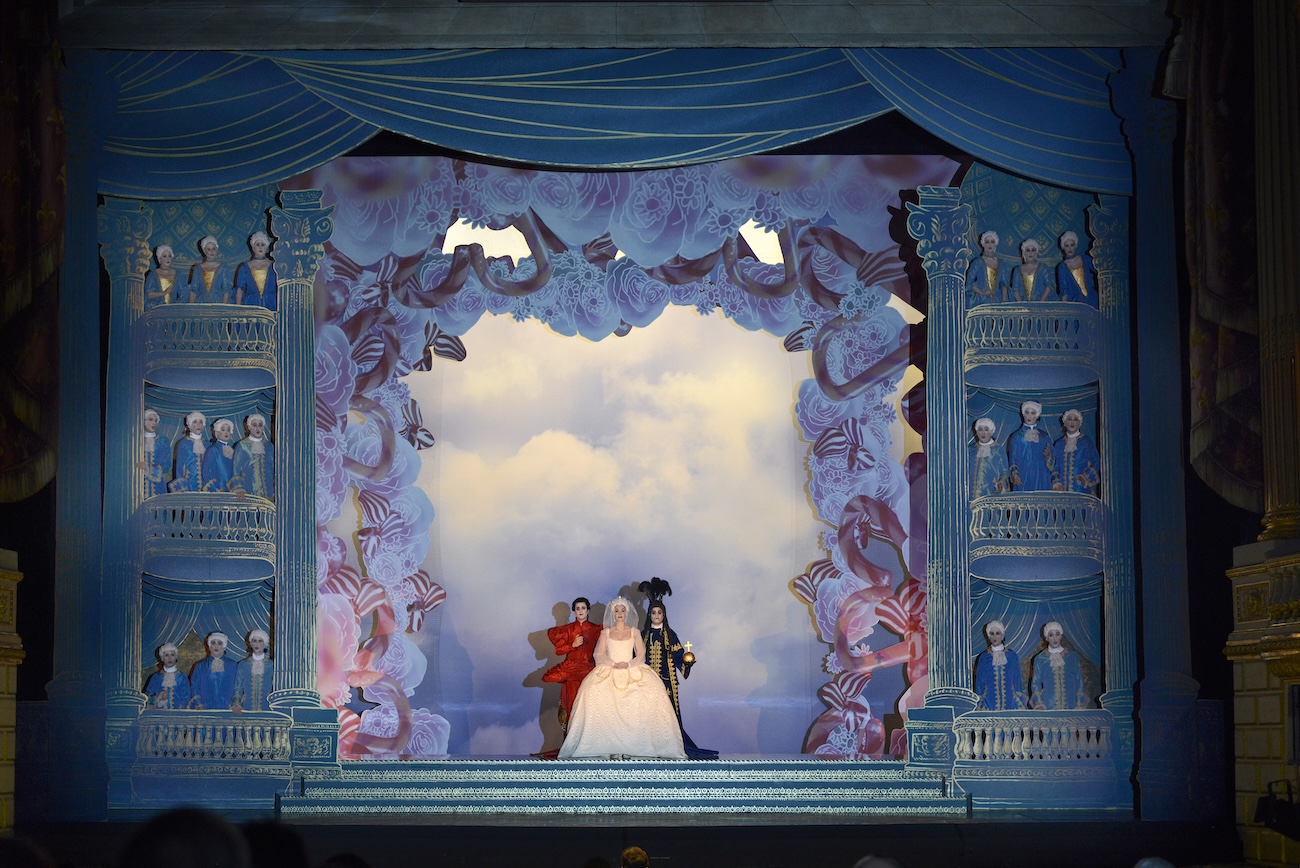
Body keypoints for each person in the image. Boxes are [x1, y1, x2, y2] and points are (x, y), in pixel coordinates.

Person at [558, 596, 686, 759]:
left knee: (650, 694)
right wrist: (612, 664)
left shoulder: (634, 632)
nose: (619, 613)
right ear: (613, 613)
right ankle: (605, 745)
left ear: (627, 613)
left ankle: (636, 745)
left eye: (622, 610)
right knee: (591, 693)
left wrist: (629, 664)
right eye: (617, 610)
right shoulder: (605, 632)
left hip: (631, 668)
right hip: (610, 668)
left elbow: (641, 654)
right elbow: (598, 654)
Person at [642, 599, 717, 759]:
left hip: (666, 682)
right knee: (647, 714)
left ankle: (670, 746)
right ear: (649, 615)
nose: (657, 615)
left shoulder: (670, 635)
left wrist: (686, 663)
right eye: (654, 613)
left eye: (659, 613)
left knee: (668, 715)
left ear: (664, 615)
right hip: (646, 683)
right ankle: (649, 747)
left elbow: (677, 656)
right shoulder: (644, 635)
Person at [542, 596, 602, 733]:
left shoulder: (596, 629)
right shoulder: (568, 629)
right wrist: (572, 645)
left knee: (589, 707)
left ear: (588, 610)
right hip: (572, 672)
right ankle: (571, 740)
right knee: (572, 705)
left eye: (583, 608)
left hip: (589, 672)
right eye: (577, 608)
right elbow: (559, 651)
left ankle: (588, 740)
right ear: (574, 611)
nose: (580, 611)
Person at [1030, 621, 1089, 710]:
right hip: (1049, 707)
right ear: (1046, 638)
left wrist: (1079, 703)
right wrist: (1039, 703)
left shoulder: (1072, 656)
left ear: (1061, 636)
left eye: (1057, 634)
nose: (1055, 638)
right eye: (1051, 635)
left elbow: (1079, 680)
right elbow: (1036, 683)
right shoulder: (1040, 658)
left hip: (1071, 706)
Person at [973, 620, 1025, 711]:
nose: (995, 637)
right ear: (988, 636)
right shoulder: (983, 657)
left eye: (997, 633)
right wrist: (979, 701)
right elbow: (979, 683)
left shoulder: (1011, 656)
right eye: (992, 634)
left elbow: (1017, 679)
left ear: (1002, 635)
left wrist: (1019, 698)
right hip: (989, 703)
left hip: (1011, 701)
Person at [1049, 409, 1101, 496]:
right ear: (1065, 423)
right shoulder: (1059, 444)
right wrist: (1057, 483)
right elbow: (1055, 466)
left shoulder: (1086, 442)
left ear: (1079, 423)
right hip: (1063, 491)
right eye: (1069, 419)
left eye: (1075, 419)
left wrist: (1084, 477)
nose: (1072, 422)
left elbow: (1095, 462)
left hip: (1081, 489)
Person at [1006, 401, 1053, 491]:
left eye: (1033, 413)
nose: (1029, 416)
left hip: (1041, 477)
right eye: (1027, 413)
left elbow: (1053, 460)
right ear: (1023, 414)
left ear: (1037, 415)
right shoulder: (1016, 437)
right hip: (1023, 476)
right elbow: (1012, 458)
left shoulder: (1044, 437)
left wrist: (1048, 456)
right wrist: (1015, 475)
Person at [190, 631, 238, 710]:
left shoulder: (233, 665)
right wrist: (199, 704)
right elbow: (195, 686)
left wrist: (235, 703)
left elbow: (237, 687)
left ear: (224, 646)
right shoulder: (200, 666)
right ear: (209, 646)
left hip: (227, 708)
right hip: (205, 709)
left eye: (219, 643)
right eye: (213, 643)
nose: (216, 646)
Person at [231, 413, 274, 500]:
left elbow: (274, 468)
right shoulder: (242, 445)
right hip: (248, 492)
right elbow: (236, 469)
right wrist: (239, 488)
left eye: (260, 425)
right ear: (249, 427)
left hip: (268, 493)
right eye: (254, 425)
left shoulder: (269, 446)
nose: (257, 428)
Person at [234, 231, 278, 310]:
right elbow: (239, 289)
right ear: (253, 247)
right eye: (257, 244)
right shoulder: (244, 267)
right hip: (251, 305)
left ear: (266, 247)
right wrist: (238, 309)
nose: (260, 247)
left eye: (263, 244)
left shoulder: (274, 265)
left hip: (271, 305)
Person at [231, 629, 273, 712]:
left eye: (260, 641)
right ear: (251, 644)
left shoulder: (271, 665)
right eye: (254, 641)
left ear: (265, 644)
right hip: (247, 706)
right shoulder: (243, 664)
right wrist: (237, 703)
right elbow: (238, 686)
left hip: (267, 707)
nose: (257, 644)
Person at [1055, 230, 1099, 308]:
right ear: (1063, 247)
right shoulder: (1062, 267)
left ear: (1075, 245)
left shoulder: (1085, 259)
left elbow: (1099, 270)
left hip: (1092, 299)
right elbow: (1064, 289)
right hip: (1075, 303)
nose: (1069, 248)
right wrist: (1065, 307)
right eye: (1067, 246)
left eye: (1072, 245)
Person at [968, 417, 1009, 500]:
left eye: (986, 430)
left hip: (991, 492)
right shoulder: (970, 450)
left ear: (991, 431)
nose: (983, 433)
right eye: (980, 430)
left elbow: (1005, 472)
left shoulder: (998, 449)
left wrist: (1001, 484)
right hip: (971, 494)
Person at [143, 642, 192, 710]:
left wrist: (180, 708)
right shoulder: (156, 678)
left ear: (176, 657)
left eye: (172, 655)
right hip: (160, 714)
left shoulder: (182, 678)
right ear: (162, 658)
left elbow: (187, 697)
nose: (170, 658)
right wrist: (159, 697)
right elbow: (147, 697)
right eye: (166, 655)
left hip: (177, 714)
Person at [964, 230, 1006, 306]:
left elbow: (1004, 284)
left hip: (997, 300)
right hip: (980, 301)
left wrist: (1003, 299)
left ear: (995, 244)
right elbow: (969, 283)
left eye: (992, 242)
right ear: (983, 244)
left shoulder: (1001, 263)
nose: (989, 244)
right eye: (987, 242)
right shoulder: (977, 262)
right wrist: (982, 292)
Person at [169, 410, 207, 493]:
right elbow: (180, 467)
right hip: (189, 484)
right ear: (189, 425)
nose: (198, 425)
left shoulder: (207, 444)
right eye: (195, 422)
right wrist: (182, 487)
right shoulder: (183, 444)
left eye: (200, 422)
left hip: (205, 485)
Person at [188, 235, 232, 304]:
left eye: (213, 248)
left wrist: (224, 307)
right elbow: (194, 289)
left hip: (217, 302)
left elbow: (226, 290)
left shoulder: (223, 268)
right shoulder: (197, 268)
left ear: (217, 249)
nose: (211, 251)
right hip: (201, 303)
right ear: (204, 251)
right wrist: (191, 307)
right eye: (208, 249)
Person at [137, 408, 171, 497]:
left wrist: (148, 468)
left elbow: (167, 465)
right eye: (150, 419)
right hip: (139, 483)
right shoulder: (136, 441)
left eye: (155, 420)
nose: (153, 423)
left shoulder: (163, 441)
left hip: (158, 485)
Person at [201, 418, 237, 494]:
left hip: (230, 490)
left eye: (228, 430)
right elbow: (206, 472)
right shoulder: (212, 450)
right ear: (216, 433)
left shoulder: (232, 451)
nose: (226, 432)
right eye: (223, 430)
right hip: (217, 490)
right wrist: (215, 488)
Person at [144, 244, 179, 308]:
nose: (168, 259)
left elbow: (182, 293)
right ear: (159, 259)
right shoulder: (152, 275)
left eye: (169, 256)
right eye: (165, 256)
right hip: (157, 308)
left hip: (173, 309)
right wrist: (164, 293)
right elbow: (148, 294)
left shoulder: (177, 274)